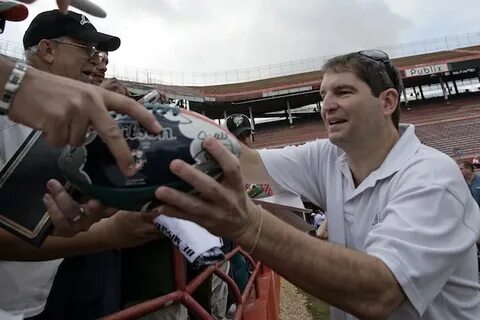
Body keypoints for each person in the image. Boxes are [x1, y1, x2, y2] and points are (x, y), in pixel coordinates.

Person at [154, 50, 480, 319]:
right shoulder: (328, 156)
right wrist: (168, 129)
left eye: (343, 92)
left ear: (387, 102)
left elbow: (378, 293)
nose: (326, 104)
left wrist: (249, 225)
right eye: (323, 94)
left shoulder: (432, 176)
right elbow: (246, 161)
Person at [0, 10, 161, 319]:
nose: (95, 59)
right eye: (86, 49)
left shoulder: (68, 114)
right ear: (47, 50)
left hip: (37, 300)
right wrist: (109, 233)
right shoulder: (8, 113)